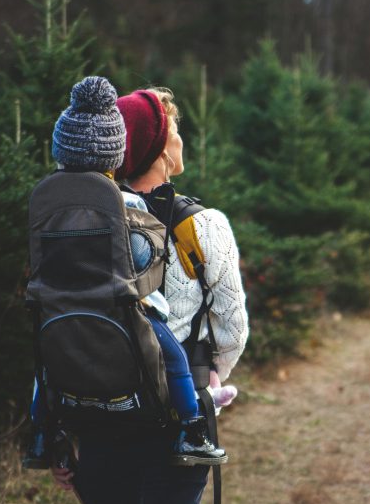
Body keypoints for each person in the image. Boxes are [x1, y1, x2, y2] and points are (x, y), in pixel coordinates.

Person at [53, 83, 249, 504]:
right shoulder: (203, 225)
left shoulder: (85, 223)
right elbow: (233, 330)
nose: (182, 138)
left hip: (101, 414)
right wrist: (210, 380)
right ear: (161, 149)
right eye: (175, 129)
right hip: (175, 424)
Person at [23, 76, 227, 470]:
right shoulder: (125, 202)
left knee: (44, 365)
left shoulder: (47, 201)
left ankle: (40, 435)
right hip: (121, 304)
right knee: (173, 358)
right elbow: (142, 254)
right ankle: (193, 430)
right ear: (114, 156)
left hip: (58, 304)